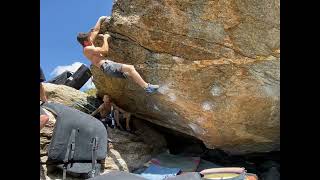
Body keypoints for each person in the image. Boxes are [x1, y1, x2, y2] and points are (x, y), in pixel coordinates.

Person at [77, 16, 159, 93]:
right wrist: (105, 38)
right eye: (88, 39)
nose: (91, 39)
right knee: (130, 68)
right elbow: (104, 50)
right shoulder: (87, 49)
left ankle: (145, 86)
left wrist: (100, 19)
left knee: (130, 73)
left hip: (108, 68)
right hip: (107, 66)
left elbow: (95, 30)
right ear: (85, 42)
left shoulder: (89, 43)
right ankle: (146, 87)